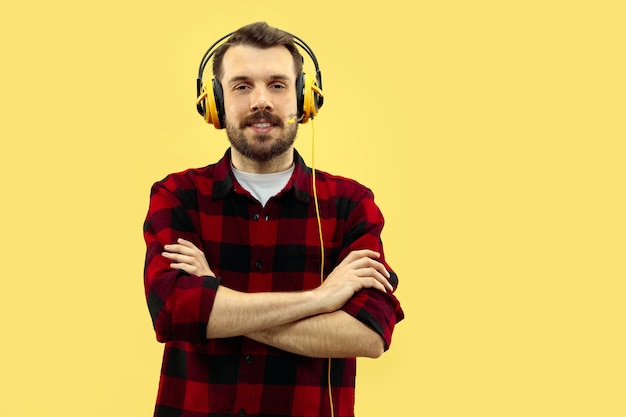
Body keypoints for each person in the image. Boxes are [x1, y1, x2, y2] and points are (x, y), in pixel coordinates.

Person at [143, 21, 404, 417]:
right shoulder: (178, 196)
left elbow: (369, 334)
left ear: (304, 100)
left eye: (278, 85)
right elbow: (172, 313)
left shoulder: (350, 203)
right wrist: (319, 300)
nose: (260, 101)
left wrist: (216, 301)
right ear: (215, 102)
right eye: (242, 85)